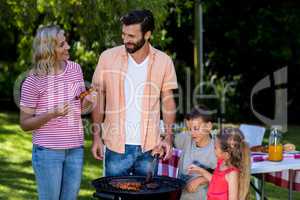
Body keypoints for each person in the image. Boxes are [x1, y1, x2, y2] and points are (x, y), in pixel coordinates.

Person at [91, 9, 178, 176]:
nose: (125, 40)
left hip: (150, 148)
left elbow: (168, 101)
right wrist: (96, 137)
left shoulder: (163, 61)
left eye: (131, 36)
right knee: (115, 195)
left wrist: (168, 137)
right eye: (124, 35)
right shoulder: (108, 58)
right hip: (116, 147)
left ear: (147, 34)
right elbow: (98, 98)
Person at [20, 25, 94, 200]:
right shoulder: (33, 81)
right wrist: (52, 114)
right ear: (48, 49)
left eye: (66, 42)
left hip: (75, 149)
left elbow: (80, 106)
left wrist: (89, 102)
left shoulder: (75, 69)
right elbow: (25, 124)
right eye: (61, 44)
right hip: (48, 152)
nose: (68, 47)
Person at [188, 128, 251, 200]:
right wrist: (201, 171)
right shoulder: (221, 163)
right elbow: (216, 182)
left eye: (215, 148)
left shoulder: (232, 173)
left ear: (226, 154)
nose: (213, 150)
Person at [174, 106, 217, 200]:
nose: (192, 133)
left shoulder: (216, 149)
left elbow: (225, 177)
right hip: (181, 196)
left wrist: (202, 179)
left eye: (196, 128)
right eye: (189, 129)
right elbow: (169, 139)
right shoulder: (185, 139)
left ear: (209, 126)